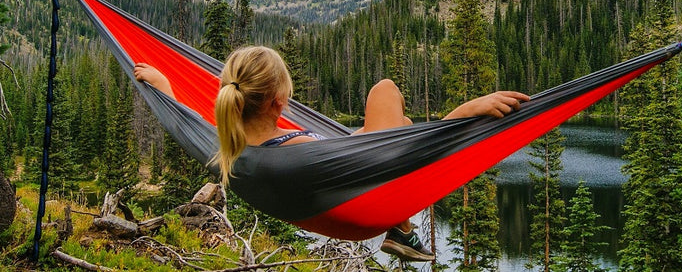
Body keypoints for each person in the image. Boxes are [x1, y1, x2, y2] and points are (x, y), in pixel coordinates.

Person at [135, 45, 529, 262]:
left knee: (403, 123)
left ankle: (404, 229)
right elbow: (401, 161)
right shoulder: (298, 154)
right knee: (385, 90)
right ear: (278, 101)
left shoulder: (227, 145)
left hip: (334, 187)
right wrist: (463, 115)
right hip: (361, 209)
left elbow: (186, 122)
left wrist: (164, 86)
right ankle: (402, 227)